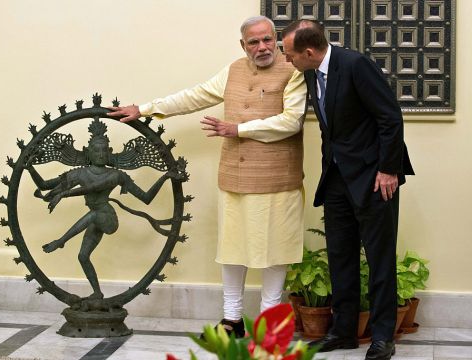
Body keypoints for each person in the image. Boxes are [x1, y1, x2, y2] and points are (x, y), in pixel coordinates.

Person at [107, 16, 307, 337]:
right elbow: (194, 96)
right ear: (243, 46)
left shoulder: (293, 71)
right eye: (253, 42)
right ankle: (232, 320)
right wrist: (144, 109)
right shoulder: (234, 70)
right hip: (234, 176)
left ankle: (270, 324)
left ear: (277, 40)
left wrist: (237, 129)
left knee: (276, 250)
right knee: (233, 248)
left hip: (277, 178)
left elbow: (291, 121)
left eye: (267, 40)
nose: (262, 47)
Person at [277, 20, 414, 360]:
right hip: (337, 178)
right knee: (341, 256)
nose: (286, 60)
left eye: (289, 54)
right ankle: (343, 332)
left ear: (308, 52)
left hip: (374, 177)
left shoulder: (355, 64)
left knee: (380, 259)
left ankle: (383, 337)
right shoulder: (310, 71)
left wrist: (388, 169)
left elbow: (390, 117)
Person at [27, 119, 178, 300]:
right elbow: (44, 185)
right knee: (83, 256)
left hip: (107, 218)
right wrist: (29, 167)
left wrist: (165, 177)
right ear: (88, 153)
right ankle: (97, 292)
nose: (100, 154)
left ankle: (61, 241)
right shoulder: (79, 173)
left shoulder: (115, 175)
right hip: (96, 219)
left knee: (93, 215)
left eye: (104, 150)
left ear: (109, 153)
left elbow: (145, 198)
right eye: (96, 150)